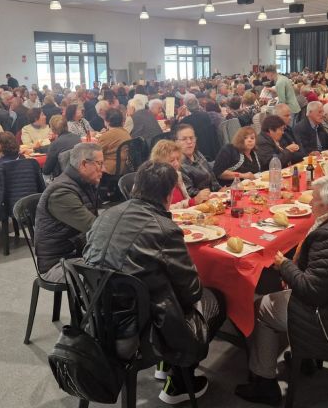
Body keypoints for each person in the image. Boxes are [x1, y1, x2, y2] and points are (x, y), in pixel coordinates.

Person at [83, 161, 226, 404]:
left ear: (136, 186)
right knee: (215, 299)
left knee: (159, 286)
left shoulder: (105, 215)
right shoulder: (164, 228)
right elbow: (192, 292)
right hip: (135, 330)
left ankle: (165, 362)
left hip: (94, 317)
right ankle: (181, 381)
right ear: (170, 195)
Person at [235, 175, 328, 405]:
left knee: (260, 307)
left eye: (314, 200)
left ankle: (264, 383)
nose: (310, 204)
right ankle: (306, 357)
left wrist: (284, 266)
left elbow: (311, 291)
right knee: (277, 294)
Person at [34, 143, 102, 282]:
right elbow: (94, 227)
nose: (103, 169)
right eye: (99, 164)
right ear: (84, 164)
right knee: (116, 272)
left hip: (77, 253)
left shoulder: (83, 183)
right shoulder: (61, 193)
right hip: (58, 264)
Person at [150, 139, 211, 209]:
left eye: (178, 159)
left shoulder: (177, 175)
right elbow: (162, 210)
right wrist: (193, 201)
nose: (176, 163)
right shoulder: (155, 182)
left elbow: (186, 201)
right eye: (171, 160)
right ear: (159, 162)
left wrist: (196, 201)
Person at [175, 123, 219, 197]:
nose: (189, 142)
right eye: (184, 139)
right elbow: (189, 192)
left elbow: (212, 177)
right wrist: (211, 195)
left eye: (191, 138)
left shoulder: (197, 154)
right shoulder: (177, 164)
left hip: (214, 196)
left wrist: (219, 190)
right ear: (176, 142)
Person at [177, 96, 220, 161]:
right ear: (198, 105)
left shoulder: (185, 121)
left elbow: (174, 131)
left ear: (187, 108)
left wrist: (178, 116)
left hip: (197, 151)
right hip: (212, 150)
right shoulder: (206, 115)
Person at [96, 108, 131, 176]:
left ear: (107, 121)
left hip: (111, 168)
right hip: (124, 167)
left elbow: (96, 152)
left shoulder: (107, 135)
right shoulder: (125, 132)